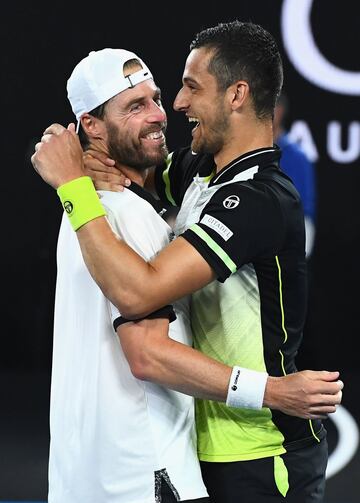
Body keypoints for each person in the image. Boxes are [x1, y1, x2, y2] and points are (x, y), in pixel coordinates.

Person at [32, 22, 343, 503]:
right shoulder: (199, 172)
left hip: (260, 449)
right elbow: (138, 168)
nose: (174, 106)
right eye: (144, 101)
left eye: (189, 88)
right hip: (203, 446)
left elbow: (139, 298)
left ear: (236, 95)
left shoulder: (259, 198)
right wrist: (82, 156)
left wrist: (74, 185)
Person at [273, 92, 317, 258]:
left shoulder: (297, 155)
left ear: (280, 111)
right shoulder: (249, 150)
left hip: (292, 229)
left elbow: (303, 205)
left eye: (270, 108)